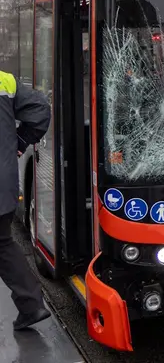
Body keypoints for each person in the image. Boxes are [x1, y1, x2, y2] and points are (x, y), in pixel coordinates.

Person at [0, 70, 52, 330]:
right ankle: (31, 305)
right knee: (3, 244)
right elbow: (41, 110)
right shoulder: (5, 81)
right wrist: (18, 141)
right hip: (4, 185)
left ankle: (31, 304)